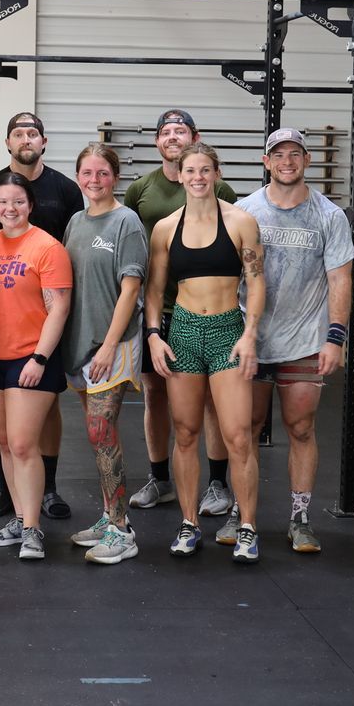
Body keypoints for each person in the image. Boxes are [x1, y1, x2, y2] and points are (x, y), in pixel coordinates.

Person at [144, 142, 265, 563]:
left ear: (216, 174)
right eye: (189, 170)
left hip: (228, 331)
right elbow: (155, 290)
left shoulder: (241, 222)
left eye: (205, 170)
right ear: (178, 174)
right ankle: (189, 522)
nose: (197, 177)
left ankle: (247, 526)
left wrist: (250, 334)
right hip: (183, 332)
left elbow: (257, 281)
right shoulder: (164, 228)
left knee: (237, 436)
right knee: (186, 433)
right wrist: (154, 335)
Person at [241, 129, 354, 554]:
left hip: (305, 340)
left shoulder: (329, 216)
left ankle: (300, 517)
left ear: (306, 160)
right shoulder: (244, 211)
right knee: (244, 430)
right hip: (251, 339)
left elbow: (340, 279)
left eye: (295, 154)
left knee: (301, 428)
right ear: (266, 161)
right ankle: (242, 511)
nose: (287, 161)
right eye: (278, 154)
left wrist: (335, 338)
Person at [0, 112, 84, 522]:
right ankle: (7, 491)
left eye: (32, 132)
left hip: (45, 316)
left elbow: (73, 246)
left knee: (43, 411)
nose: (25, 139)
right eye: (18, 133)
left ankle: (46, 488)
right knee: (5, 430)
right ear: (8, 142)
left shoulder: (65, 190)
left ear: (44, 141)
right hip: (0, 324)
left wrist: (46, 343)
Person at [124, 107, 238, 519]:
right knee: (155, 394)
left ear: (194, 138)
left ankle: (217, 484)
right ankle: (160, 479)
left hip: (209, 311)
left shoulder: (219, 190)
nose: (172, 136)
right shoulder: (140, 189)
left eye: (181, 130)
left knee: (209, 399)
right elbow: (134, 247)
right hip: (162, 310)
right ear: (157, 142)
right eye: (166, 132)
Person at [0, 173, 73, 562]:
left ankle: (33, 529)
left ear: (30, 205)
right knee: (3, 444)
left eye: (18, 201)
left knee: (21, 444)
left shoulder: (47, 247)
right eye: (3, 202)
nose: (10, 209)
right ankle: (19, 518)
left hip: (30, 358)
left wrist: (39, 358)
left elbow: (58, 308)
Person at [59, 143, 146, 564]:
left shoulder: (126, 222)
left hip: (112, 344)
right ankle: (111, 515)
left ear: (116, 177)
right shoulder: (75, 221)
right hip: (79, 342)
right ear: (78, 176)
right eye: (87, 173)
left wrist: (110, 346)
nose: (94, 181)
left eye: (103, 173)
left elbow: (131, 288)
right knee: (97, 438)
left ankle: (122, 530)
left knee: (102, 431)